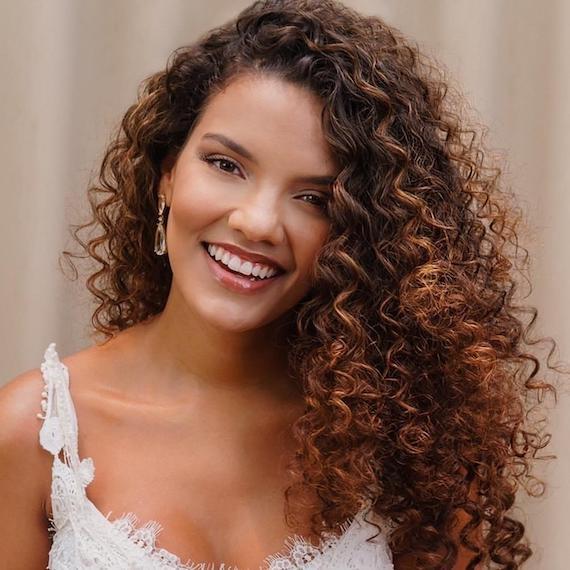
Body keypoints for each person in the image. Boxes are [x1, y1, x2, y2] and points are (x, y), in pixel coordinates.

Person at [0, 0, 560, 568]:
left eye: (314, 199)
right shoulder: (33, 434)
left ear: (362, 234)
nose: (257, 222)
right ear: (167, 175)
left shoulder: (406, 443)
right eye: (226, 165)